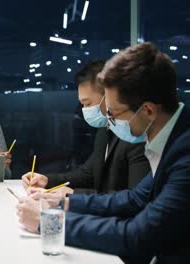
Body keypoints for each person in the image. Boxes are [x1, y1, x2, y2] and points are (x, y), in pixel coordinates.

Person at [17, 42, 190, 262]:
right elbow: (135, 198)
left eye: (114, 113)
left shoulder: (184, 153)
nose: (109, 122)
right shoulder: (173, 137)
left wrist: (50, 223)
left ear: (148, 110)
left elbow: (139, 234)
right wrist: (61, 203)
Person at [22, 61, 150, 194]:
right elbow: (88, 173)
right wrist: (47, 180)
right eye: (82, 105)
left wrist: (73, 195)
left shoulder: (134, 134)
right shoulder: (104, 130)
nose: (85, 110)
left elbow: (135, 199)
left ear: (110, 97)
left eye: (88, 104)